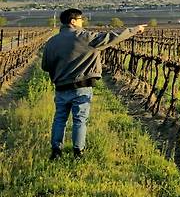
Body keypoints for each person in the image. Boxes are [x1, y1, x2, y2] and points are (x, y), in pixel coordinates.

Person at [41, 8, 147, 159]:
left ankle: (56, 151)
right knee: (80, 120)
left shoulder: (52, 42)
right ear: (73, 21)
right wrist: (134, 30)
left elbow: (45, 66)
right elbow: (111, 37)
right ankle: (78, 152)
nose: (82, 22)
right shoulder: (85, 37)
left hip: (61, 87)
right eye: (80, 19)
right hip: (82, 86)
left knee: (59, 119)